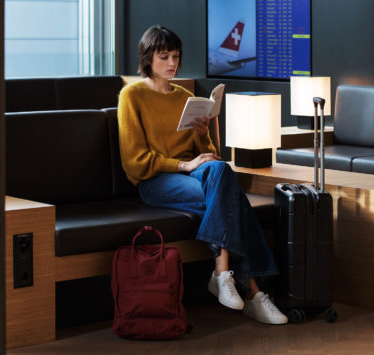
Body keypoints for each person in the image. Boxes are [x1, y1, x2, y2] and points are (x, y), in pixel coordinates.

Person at [117, 25, 287, 325]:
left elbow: (209, 156)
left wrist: (203, 134)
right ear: (148, 58)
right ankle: (253, 291)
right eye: (164, 56)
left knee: (221, 171)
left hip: (196, 175)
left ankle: (224, 274)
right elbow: (134, 161)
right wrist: (183, 165)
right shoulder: (132, 96)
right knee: (233, 199)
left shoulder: (184, 95)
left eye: (176, 56)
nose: (172, 63)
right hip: (155, 181)